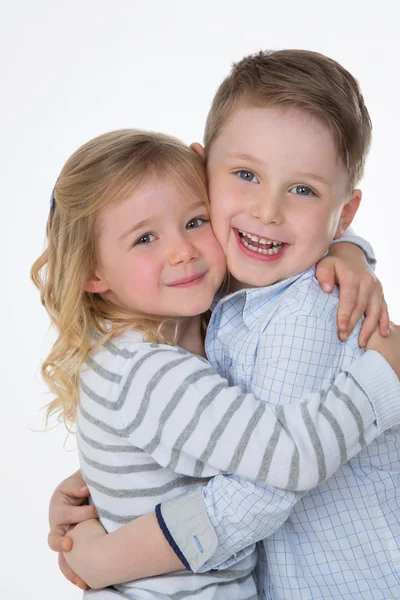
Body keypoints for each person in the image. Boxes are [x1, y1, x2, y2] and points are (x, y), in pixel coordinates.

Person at [47, 51, 400, 599]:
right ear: (203, 168)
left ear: (344, 212)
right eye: (245, 175)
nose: (266, 211)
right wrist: (98, 494)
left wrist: (105, 558)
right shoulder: (210, 308)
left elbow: (264, 483)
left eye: (301, 189)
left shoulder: (300, 314)